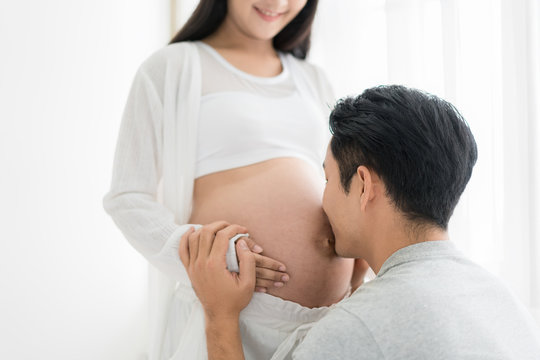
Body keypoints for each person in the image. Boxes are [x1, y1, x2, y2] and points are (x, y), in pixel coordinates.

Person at [180, 85, 540, 359]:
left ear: (364, 186)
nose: (322, 201)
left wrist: (219, 316)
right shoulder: (499, 298)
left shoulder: (354, 329)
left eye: (328, 180)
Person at [103, 0, 363, 359]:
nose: (278, 3)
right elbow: (127, 197)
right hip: (228, 317)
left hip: (326, 325)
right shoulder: (172, 67)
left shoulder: (313, 79)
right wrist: (204, 255)